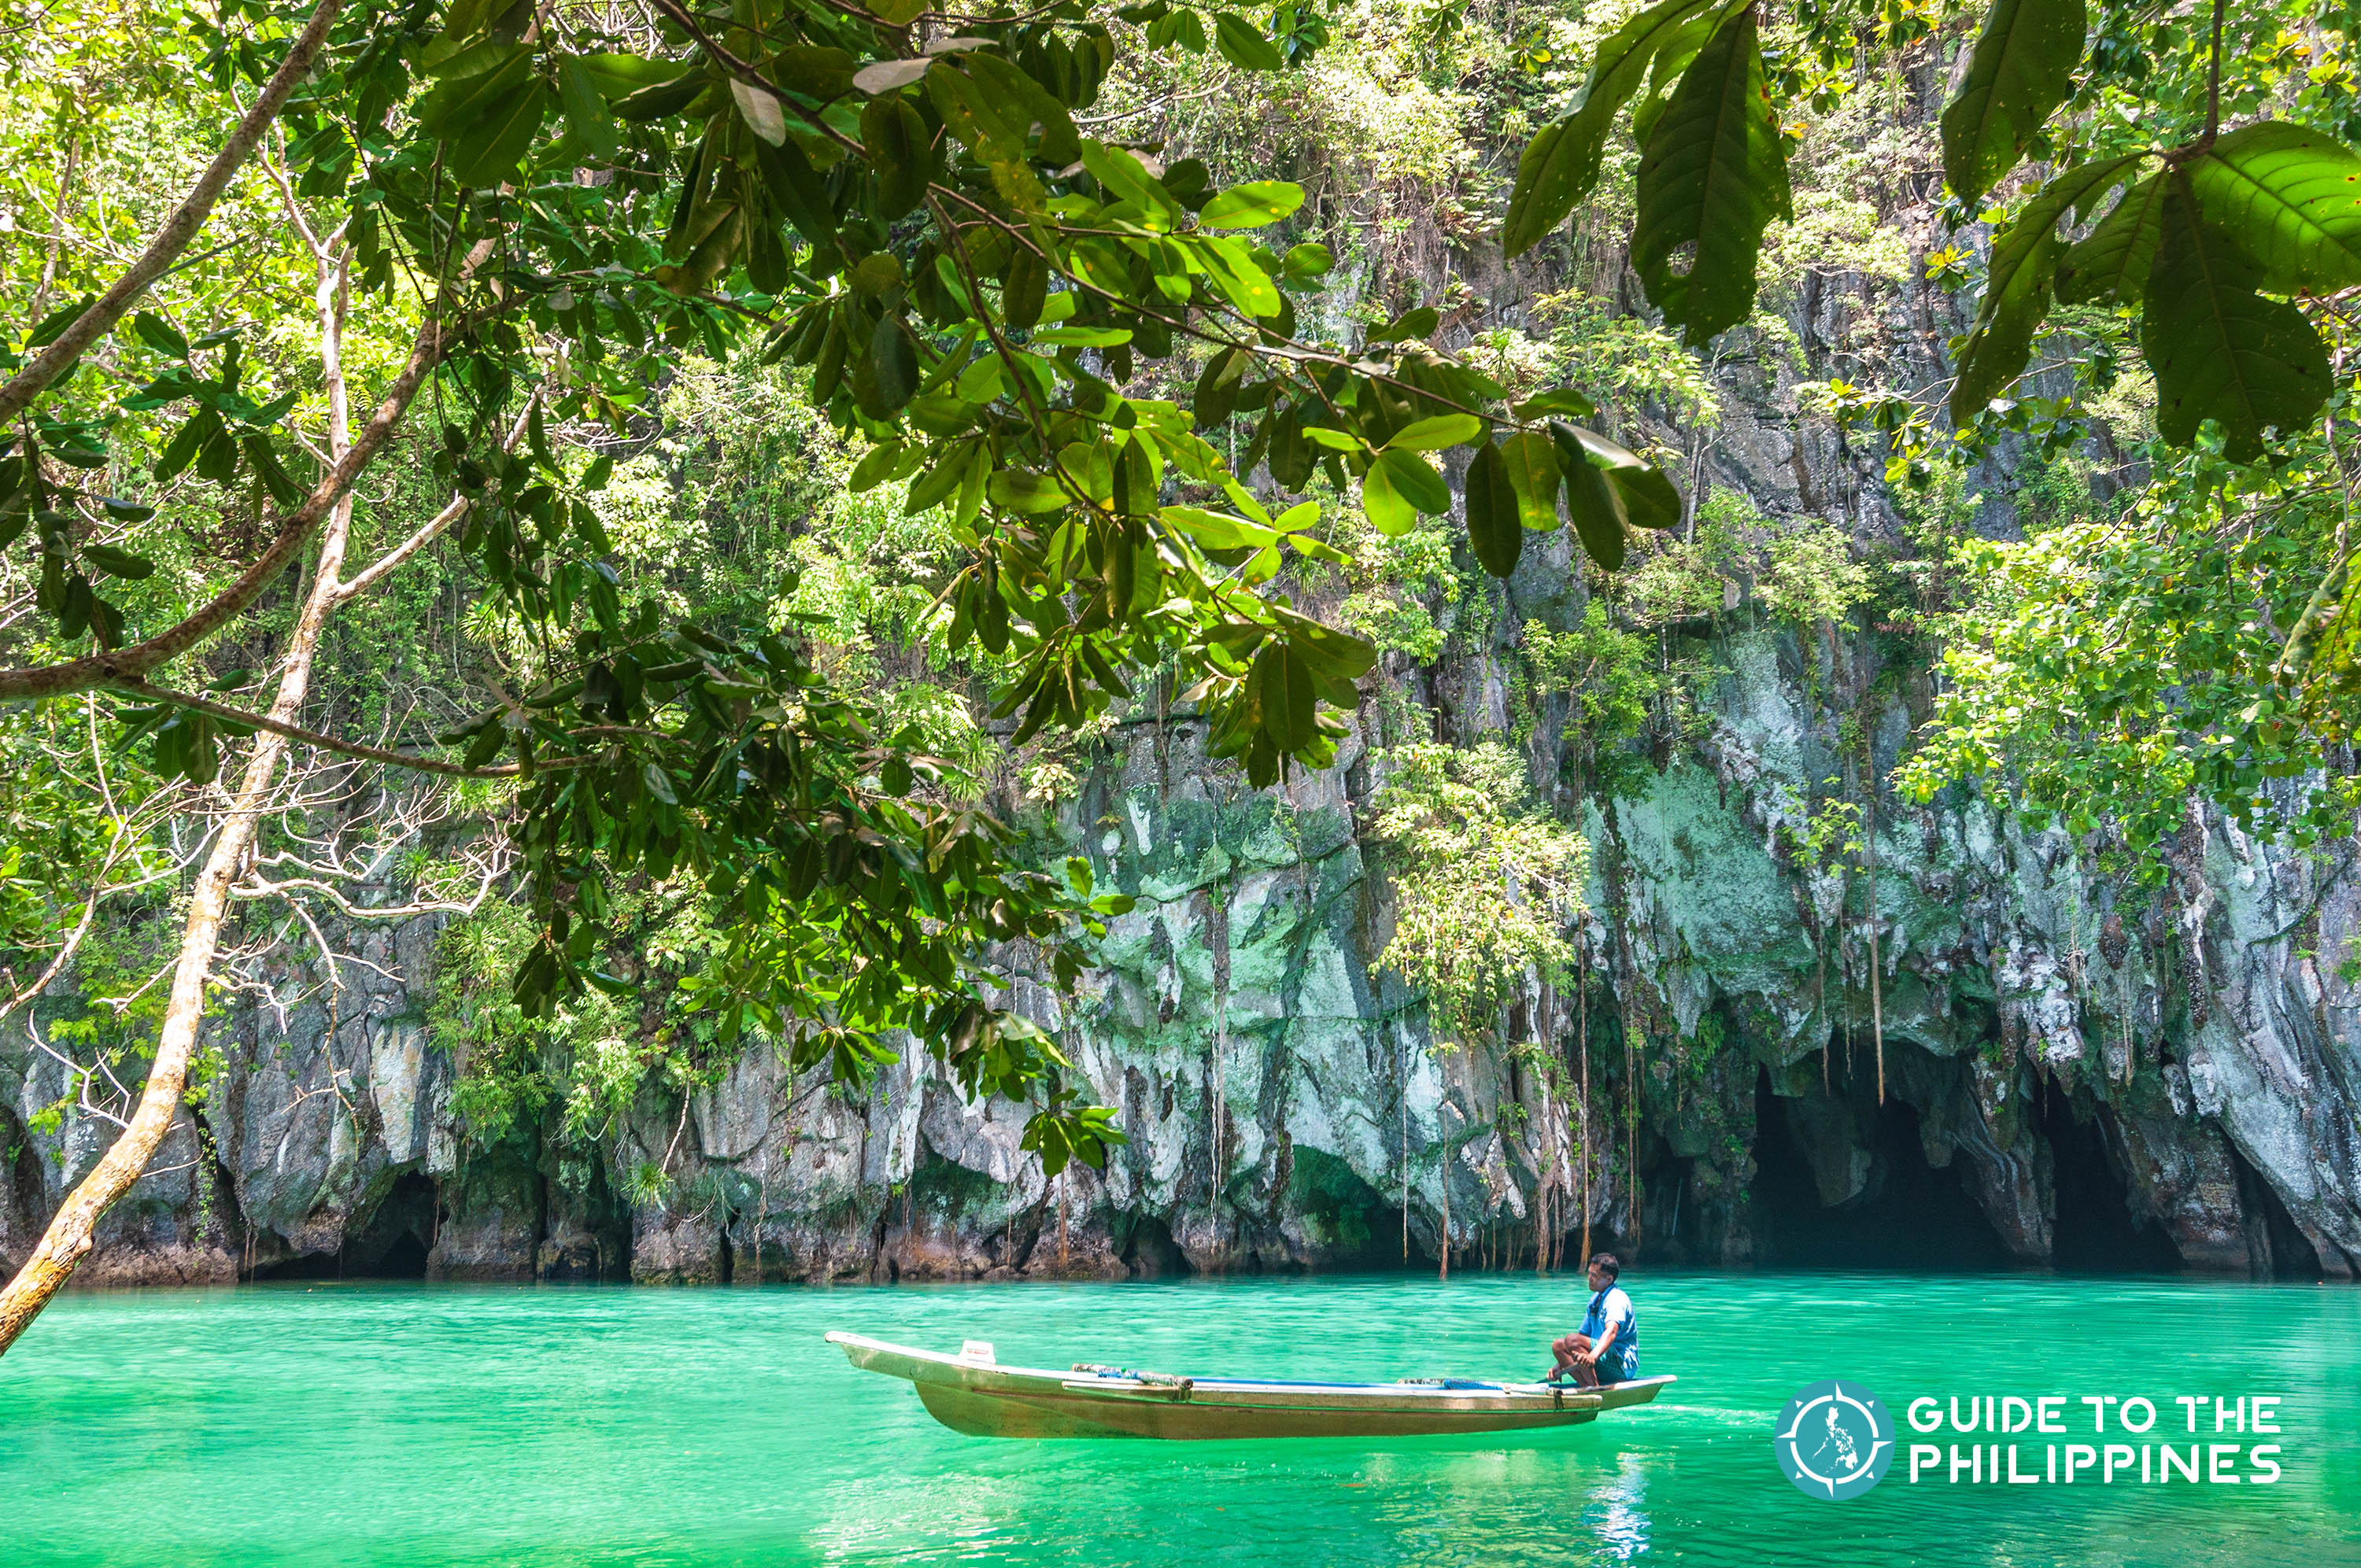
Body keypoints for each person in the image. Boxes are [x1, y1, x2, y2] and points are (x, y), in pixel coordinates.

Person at [1546, 1253, 1638, 1387]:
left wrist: (1593, 1356)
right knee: (1559, 1346)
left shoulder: (1616, 1298)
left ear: (1609, 1279)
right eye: (1589, 1274)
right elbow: (1582, 1337)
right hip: (1598, 1358)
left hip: (1621, 1364)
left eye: (1594, 1275)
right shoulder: (1595, 1300)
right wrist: (1561, 1365)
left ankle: (1594, 1389)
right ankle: (1588, 1387)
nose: (1589, 1278)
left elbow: (1611, 1332)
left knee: (1572, 1339)